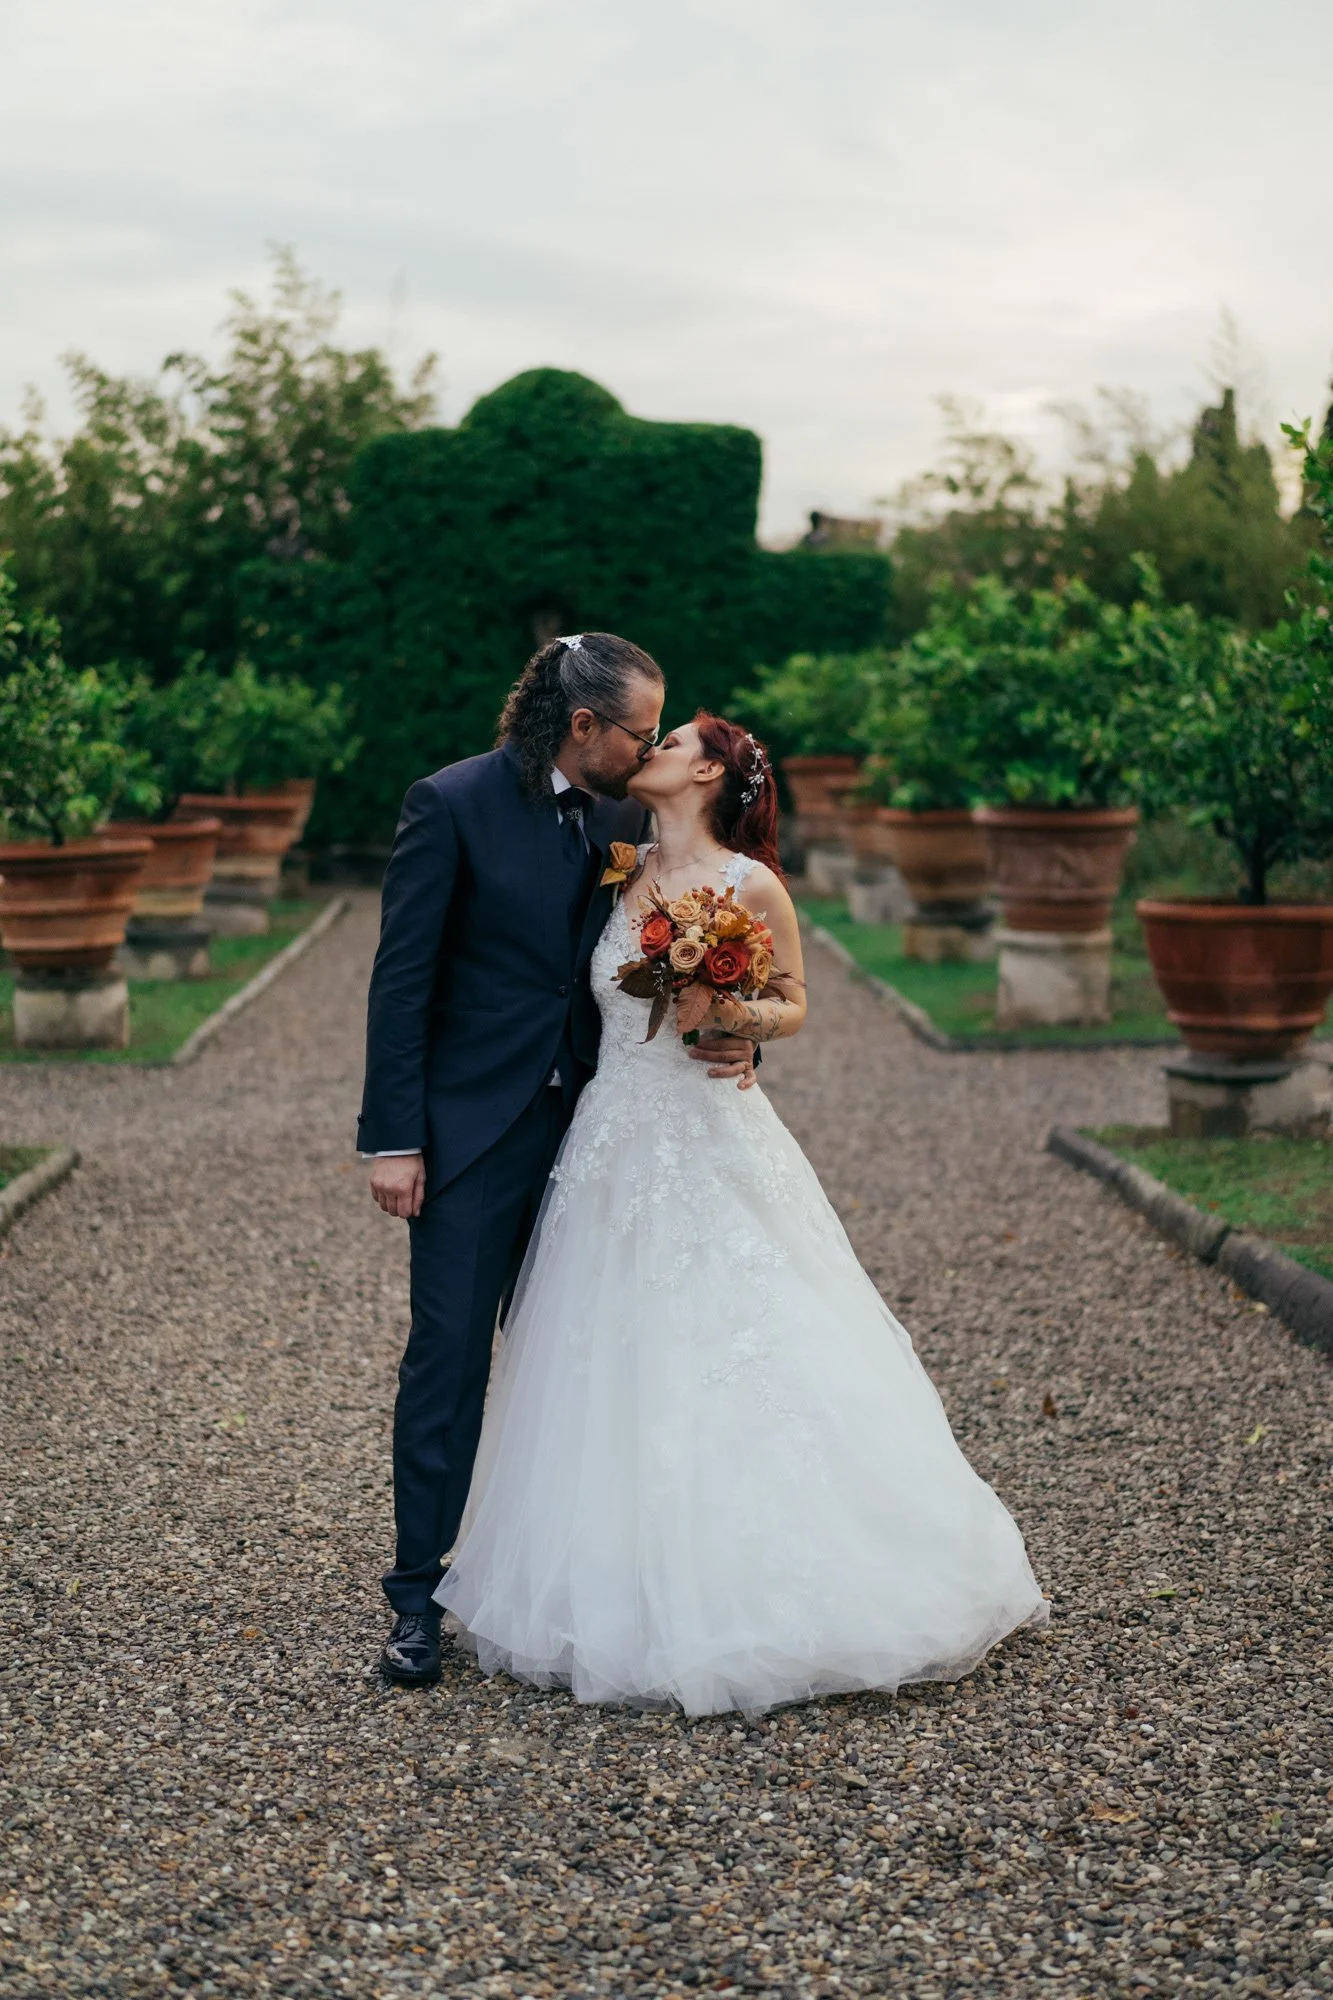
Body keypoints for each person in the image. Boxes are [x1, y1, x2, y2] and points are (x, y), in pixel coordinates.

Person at [435, 712, 1048, 1716]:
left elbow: (794, 996)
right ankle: (614, 1576)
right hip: (606, 1140)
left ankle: (783, 1580)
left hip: (710, 1131)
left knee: (751, 1332)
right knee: (602, 1354)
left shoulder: (751, 883)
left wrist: (737, 1018)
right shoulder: (611, 864)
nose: (651, 750)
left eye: (671, 740)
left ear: (712, 771)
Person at [358, 636, 759, 1687]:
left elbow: (693, 958)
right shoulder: (448, 805)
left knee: (591, 1363)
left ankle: (586, 1587)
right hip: (472, 1135)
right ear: (584, 726)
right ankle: (414, 1595)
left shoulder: (635, 822)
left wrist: (737, 1027)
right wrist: (394, 1138)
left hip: (599, 1135)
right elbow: (401, 984)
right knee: (446, 1359)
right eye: (641, 728)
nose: (648, 745)